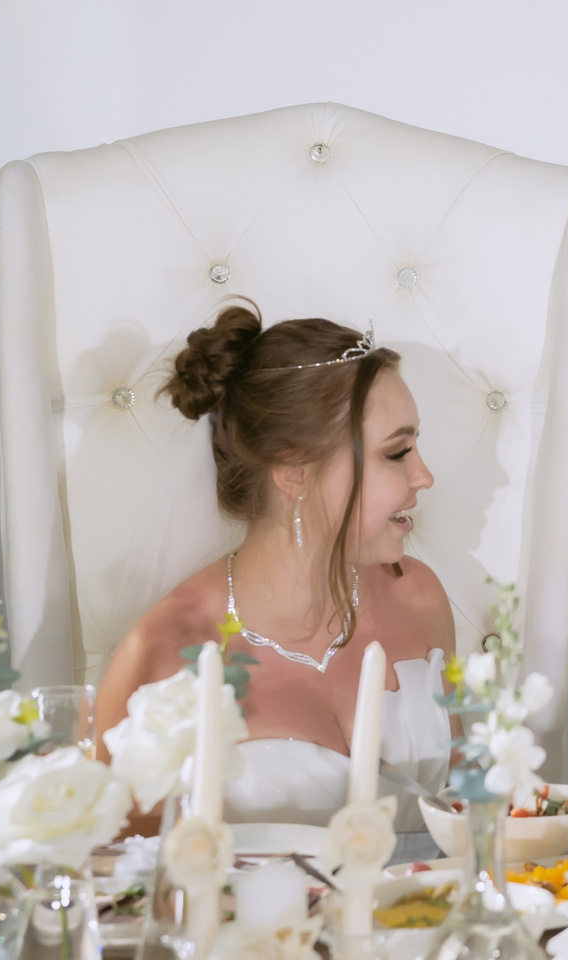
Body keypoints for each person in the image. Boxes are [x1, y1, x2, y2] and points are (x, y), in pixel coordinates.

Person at [96, 303, 456, 828]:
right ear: (294, 472)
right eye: (397, 453)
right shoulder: (162, 653)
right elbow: (124, 868)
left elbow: (462, 816)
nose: (424, 476)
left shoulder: (419, 598)